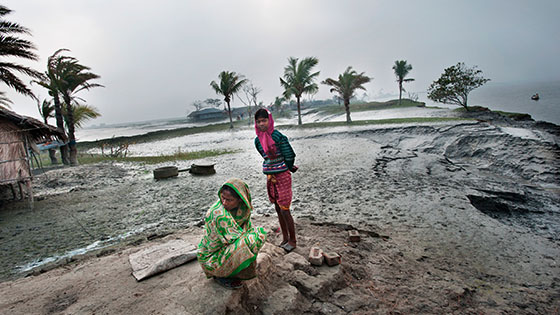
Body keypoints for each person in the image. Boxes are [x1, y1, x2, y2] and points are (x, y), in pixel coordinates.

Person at [197, 178, 267, 290]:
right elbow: (236, 239)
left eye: (229, 200)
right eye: (223, 198)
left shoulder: (243, 209)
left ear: (240, 199)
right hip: (212, 257)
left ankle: (235, 271)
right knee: (251, 240)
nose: (224, 202)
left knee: (256, 234)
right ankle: (221, 274)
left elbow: (246, 229)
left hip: (225, 248)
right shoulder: (219, 214)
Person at [254, 108, 298, 253]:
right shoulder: (257, 140)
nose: (261, 124)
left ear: (270, 120)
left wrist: (289, 167)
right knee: (277, 208)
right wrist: (273, 165)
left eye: (264, 120)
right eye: (258, 121)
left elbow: (289, 154)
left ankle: (293, 240)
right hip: (270, 176)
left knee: (285, 209)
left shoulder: (278, 136)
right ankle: (284, 237)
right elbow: (264, 156)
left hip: (282, 175)